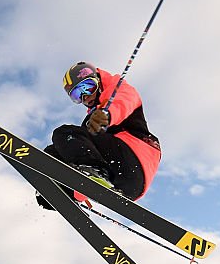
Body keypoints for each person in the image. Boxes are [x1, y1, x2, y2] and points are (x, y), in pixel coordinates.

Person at [36, 61, 161, 209]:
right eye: (77, 95)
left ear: (98, 80)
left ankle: (93, 173)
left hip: (134, 163)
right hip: (122, 184)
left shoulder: (118, 89)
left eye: (88, 87)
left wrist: (107, 115)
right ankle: (63, 191)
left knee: (65, 133)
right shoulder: (92, 121)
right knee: (53, 153)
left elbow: (123, 101)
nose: (85, 97)